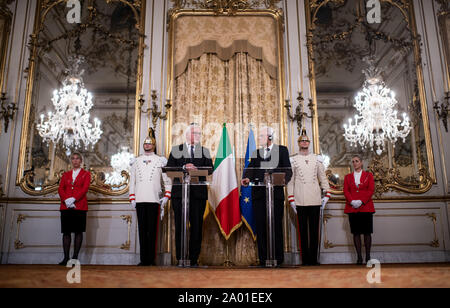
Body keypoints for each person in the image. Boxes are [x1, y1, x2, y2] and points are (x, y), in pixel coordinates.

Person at [241, 126, 292, 267]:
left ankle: (278, 258)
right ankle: (263, 259)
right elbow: (251, 169)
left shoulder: (282, 150)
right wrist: (246, 178)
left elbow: (288, 170)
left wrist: (282, 181)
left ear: (270, 137)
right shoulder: (257, 153)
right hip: (259, 196)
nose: (259, 138)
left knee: (276, 226)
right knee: (261, 227)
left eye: (262, 136)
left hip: (275, 195)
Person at [166, 123, 214, 267]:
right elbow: (169, 169)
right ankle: (181, 258)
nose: (198, 136)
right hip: (180, 194)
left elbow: (210, 170)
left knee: (197, 227)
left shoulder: (204, 151)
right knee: (180, 225)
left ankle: (193, 259)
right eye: (195, 133)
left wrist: (196, 169)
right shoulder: (176, 150)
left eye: (199, 133)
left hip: (198, 194)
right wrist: (183, 167)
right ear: (187, 135)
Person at [287, 128, 330, 266]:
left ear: (309, 143)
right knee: (303, 232)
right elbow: (290, 181)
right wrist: (291, 199)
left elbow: (323, 178)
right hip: (300, 199)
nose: (304, 143)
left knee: (314, 231)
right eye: (302, 141)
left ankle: (313, 259)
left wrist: (327, 194)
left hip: (315, 198)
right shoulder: (293, 160)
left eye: (306, 141)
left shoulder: (316, 159)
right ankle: (305, 259)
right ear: (299, 143)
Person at [129, 129, 172, 266]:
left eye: (150, 143)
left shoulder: (160, 160)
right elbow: (132, 181)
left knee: (152, 231)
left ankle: (151, 259)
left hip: (154, 200)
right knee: (142, 230)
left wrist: (166, 196)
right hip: (140, 199)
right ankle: (143, 259)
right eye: (145, 143)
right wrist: (132, 198)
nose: (147, 145)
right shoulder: (136, 161)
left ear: (153, 145)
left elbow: (167, 181)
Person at [57, 152, 91, 266]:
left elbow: (85, 188)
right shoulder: (66, 174)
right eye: (73, 159)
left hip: (79, 207)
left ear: (81, 161)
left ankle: (75, 258)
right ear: (71, 161)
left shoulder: (86, 174)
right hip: (66, 207)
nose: (75, 161)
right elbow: (61, 188)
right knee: (66, 233)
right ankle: (66, 258)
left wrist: (74, 199)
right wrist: (67, 200)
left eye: (77, 159)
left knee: (78, 232)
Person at [343, 154, 375, 265]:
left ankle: (368, 257)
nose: (355, 163)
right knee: (356, 233)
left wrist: (361, 201)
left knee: (367, 233)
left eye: (357, 161)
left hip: (366, 207)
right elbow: (346, 191)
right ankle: (359, 257)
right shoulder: (347, 177)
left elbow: (370, 190)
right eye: (353, 161)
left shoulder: (368, 175)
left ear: (361, 163)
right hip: (352, 209)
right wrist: (352, 201)